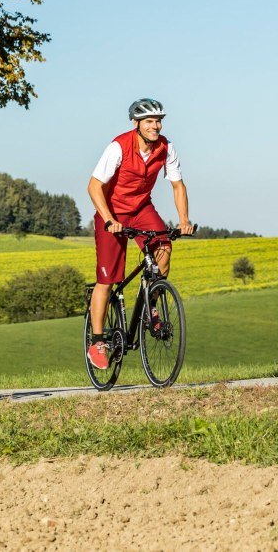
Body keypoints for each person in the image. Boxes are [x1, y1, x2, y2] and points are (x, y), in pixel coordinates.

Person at [86, 98, 193, 370]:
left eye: (158, 121)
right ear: (136, 124)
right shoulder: (119, 147)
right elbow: (95, 186)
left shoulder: (166, 148)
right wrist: (109, 219)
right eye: (149, 121)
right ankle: (97, 341)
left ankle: (150, 307)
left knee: (164, 249)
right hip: (112, 212)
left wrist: (183, 220)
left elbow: (178, 186)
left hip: (141, 208)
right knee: (108, 278)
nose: (155, 126)